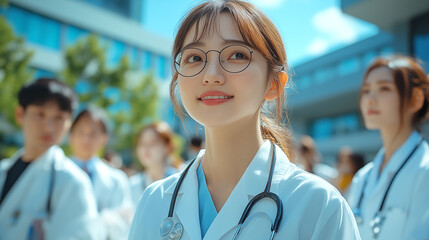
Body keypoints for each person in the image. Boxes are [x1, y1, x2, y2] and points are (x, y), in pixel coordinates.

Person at [129, 1, 360, 239]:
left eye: (236, 55)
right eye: (195, 58)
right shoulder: (154, 202)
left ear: (274, 84)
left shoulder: (318, 205)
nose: (211, 75)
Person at [0, 78, 101, 239]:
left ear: (69, 123)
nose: (49, 126)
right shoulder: (3, 170)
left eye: (59, 118)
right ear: (20, 114)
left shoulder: (73, 182)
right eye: (40, 114)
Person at [347, 55, 429, 240]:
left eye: (384, 88)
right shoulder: (363, 177)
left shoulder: (425, 172)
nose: (369, 99)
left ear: (415, 100)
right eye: (366, 90)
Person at [69, 106, 133, 240]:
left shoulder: (117, 179)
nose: (86, 139)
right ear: (71, 135)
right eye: (80, 132)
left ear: (104, 138)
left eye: (92, 133)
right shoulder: (57, 173)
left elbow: (123, 225)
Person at [129, 122, 178, 206]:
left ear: (167, 147)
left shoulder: (180, 182)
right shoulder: (132, 185)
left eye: (153, 142)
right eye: (141, 143)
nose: (145, 148)